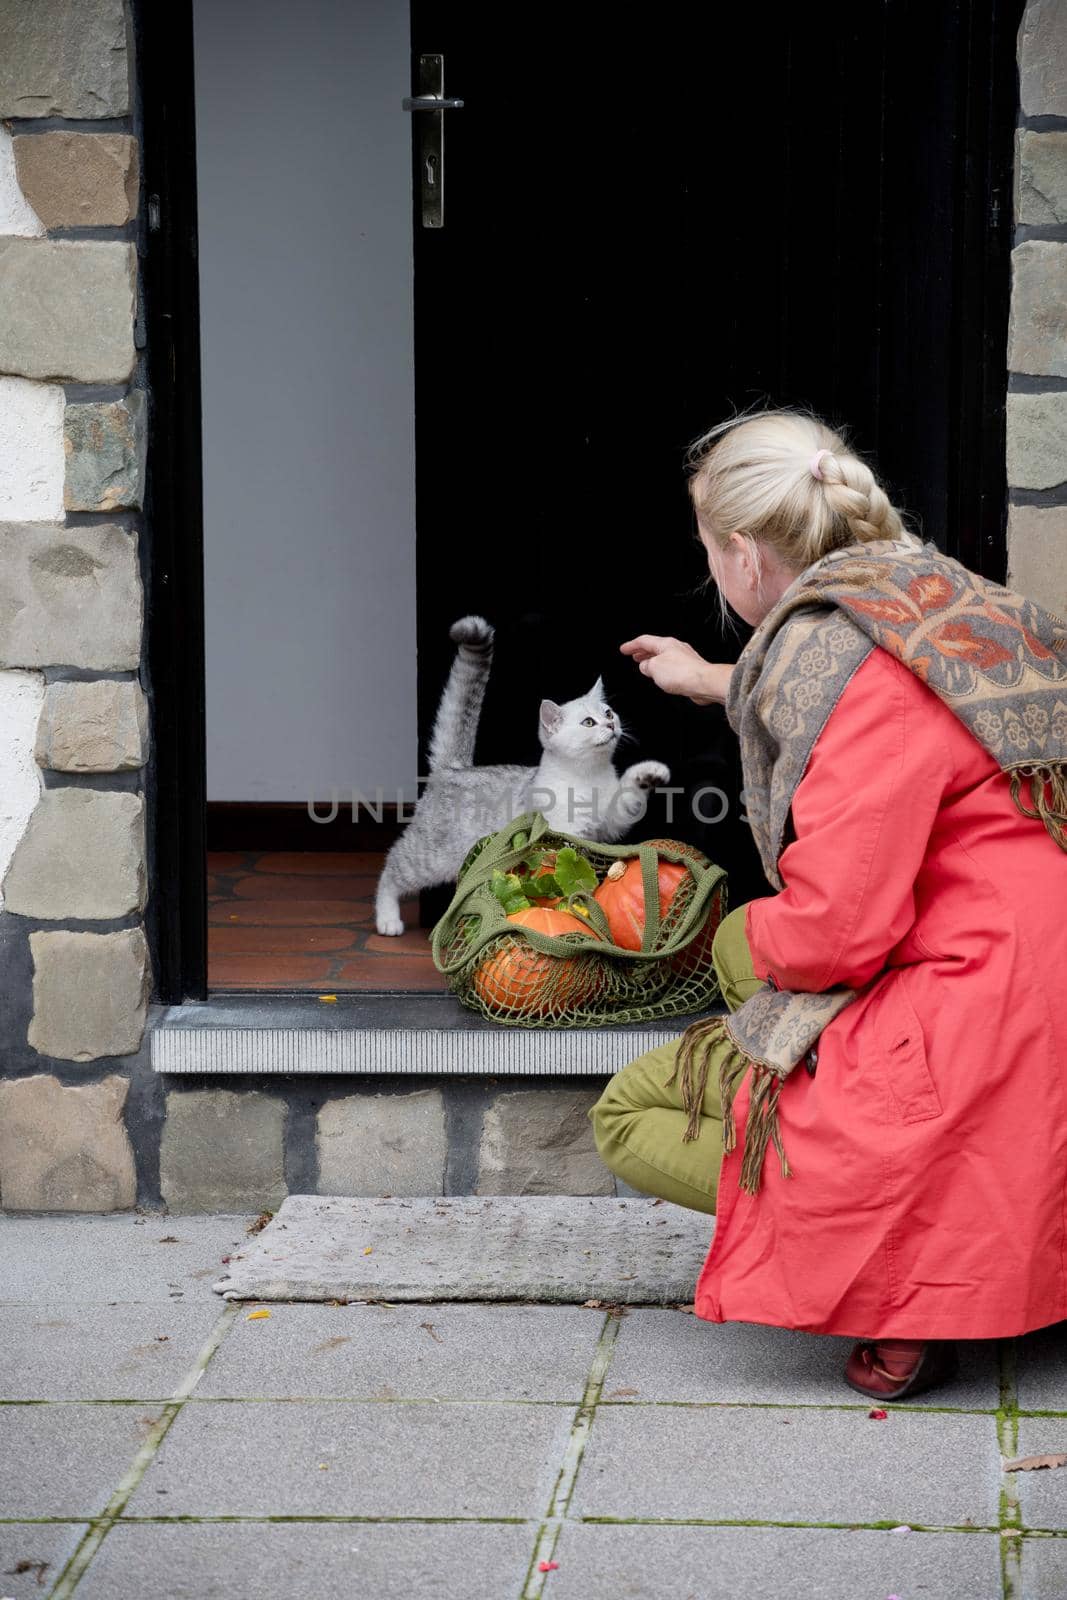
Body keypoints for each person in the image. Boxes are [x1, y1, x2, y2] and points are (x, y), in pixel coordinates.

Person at [590, 407, 1067, 1401]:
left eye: (704, 546)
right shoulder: (934, 594)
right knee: (747, 958)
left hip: (978, 1009)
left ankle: (897, 1281)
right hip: (1034, 970)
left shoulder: (856, 671)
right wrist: (709, 680)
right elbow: (870, 707)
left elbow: (842, 929)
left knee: (633, 1105)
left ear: (738, 553)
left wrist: (753, 929)